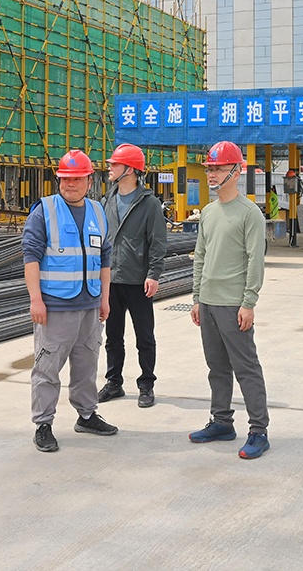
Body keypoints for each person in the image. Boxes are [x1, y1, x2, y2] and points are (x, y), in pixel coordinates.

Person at [23, 149, 117, 452]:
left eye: (77, 179)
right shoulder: (44, 211)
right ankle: (43, 424)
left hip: (89, 305)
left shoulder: (97, 211)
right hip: (55, 307)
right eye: (65, 178)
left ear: (89, 181)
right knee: (48, 368)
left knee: (87, 364)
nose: (70, 184)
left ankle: (87, 415)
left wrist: (104, 299)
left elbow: (105, 259)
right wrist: (36, 300)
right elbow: (30, 257)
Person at [188, 140, 270, 459]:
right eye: (210, 168)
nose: (211, 174)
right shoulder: (208, 213)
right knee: (217, 367)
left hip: (233, 304)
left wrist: (248, 302)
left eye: (219, 168)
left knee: (245, 367)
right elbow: (200, 256)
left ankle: (259, 430)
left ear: (237, 172)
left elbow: (255, 260)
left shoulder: (250, 214)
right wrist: (197, 297)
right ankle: (221, 421)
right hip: (208, 303)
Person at [98, 143, 168, 408]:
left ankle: (146, 384)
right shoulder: (106, 201)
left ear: (129, 170)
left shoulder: (149, 204)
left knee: (145, 337)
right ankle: (114, 382)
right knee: (113, 336)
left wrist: (154, 274)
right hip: (112, 280)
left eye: (114, 164)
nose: (109, 168)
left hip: (139, 280)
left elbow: (157, 242)